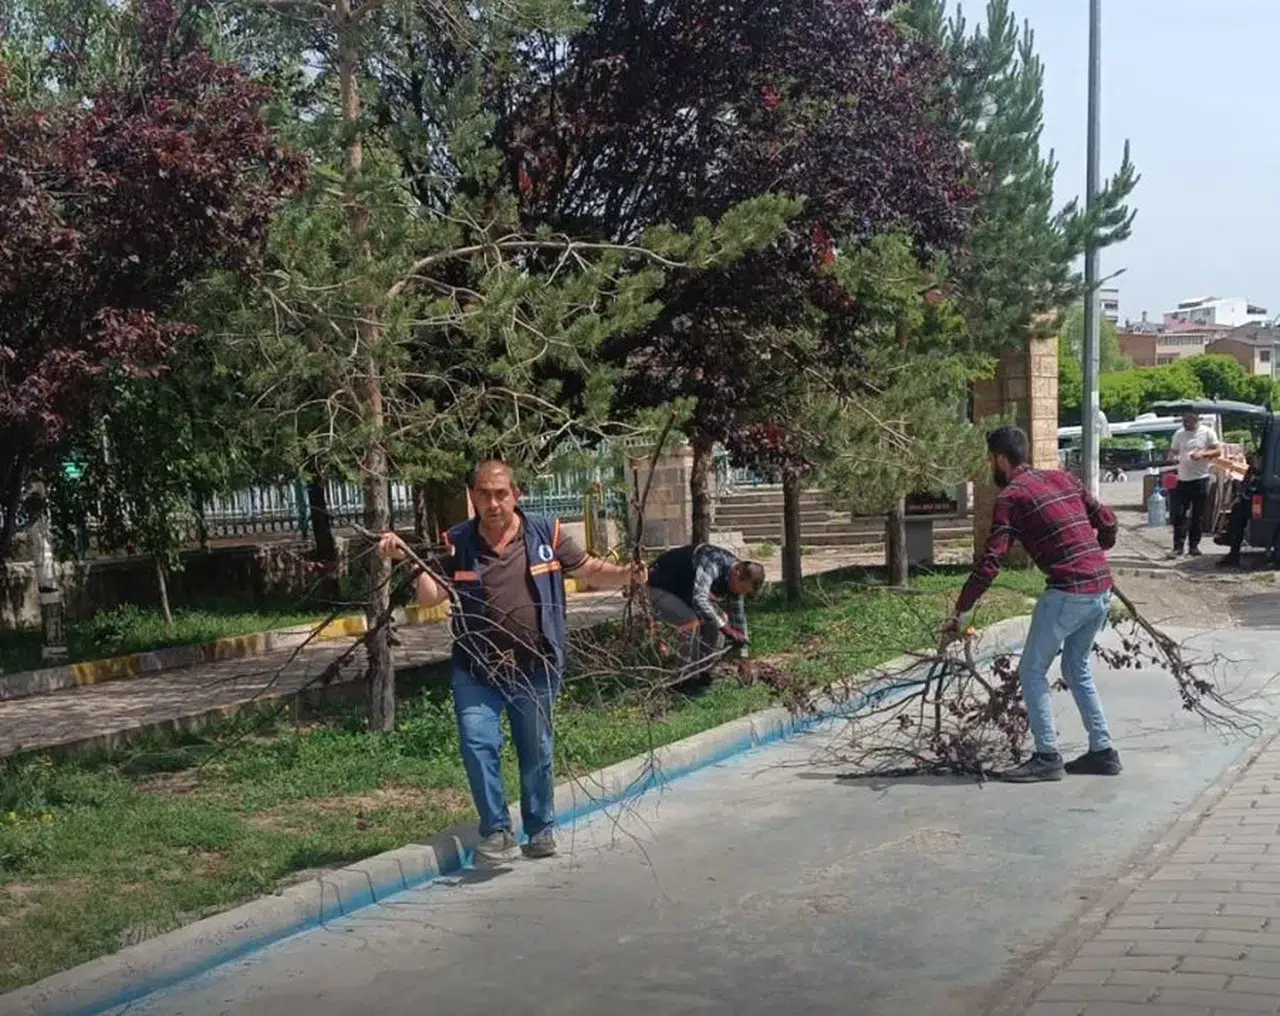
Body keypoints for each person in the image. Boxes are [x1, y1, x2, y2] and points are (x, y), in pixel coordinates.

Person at [378, 460, 641, 866]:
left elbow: (588, 569)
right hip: (477, 668)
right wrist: (408, 558)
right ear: (473, 497)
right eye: (484, 493)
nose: (493, 502)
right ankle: (498, 831)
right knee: (476, 743)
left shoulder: (545, 533)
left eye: (501, 493)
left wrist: (627, 574)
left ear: (516, 495)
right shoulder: (458, 541)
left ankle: (540, 828)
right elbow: (431, 596)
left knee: (535, 748)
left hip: (534, 665)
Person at [941, 426, 1121, 784]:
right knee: (1075, 667)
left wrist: (960, 610)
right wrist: (1097, 552)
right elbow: (1109, 521)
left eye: (992, 459)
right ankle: (1103, 752)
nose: (991, 465)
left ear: (1001, 460)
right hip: (1102, 589)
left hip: (1068, 591)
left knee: (1032, 671)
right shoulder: (1063, 478)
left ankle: (1047, 756)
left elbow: (992, 561)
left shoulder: (1012, 497)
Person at [645, 544, 766, 688]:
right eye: (742, 589)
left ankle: (705, 672)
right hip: (655, 587)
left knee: (719, 618)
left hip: (683, 594)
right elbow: (699, 599)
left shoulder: (737, 579)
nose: (741, 594)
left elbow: (738, 617)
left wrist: (743, 657)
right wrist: (726, 629)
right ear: (736, 573)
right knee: (690, 620)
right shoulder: (712, 562)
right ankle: (683, 678)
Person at [1166, 412, 1221, 557]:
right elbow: (1173, 451)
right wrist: (1172, 457)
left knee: (1198, 515)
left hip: (1200, 478)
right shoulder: (1179, 434)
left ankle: (1194, 546)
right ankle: (1178, 547)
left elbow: (1218, 451)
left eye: (1189, 422)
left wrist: (1202, 455)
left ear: (1196, 421)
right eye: (1184, 422)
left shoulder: (1207, 433)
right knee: (1179, 514)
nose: (1186, 425)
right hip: (1183, 479)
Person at [1217, 453, 1262, 568]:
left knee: (1239, 512)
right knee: (1237, 510)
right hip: (1252, 499)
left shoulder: (1261, 471)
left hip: (1261, 498)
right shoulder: (1253, 470)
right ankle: (1231, 543)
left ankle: (1231, 544)